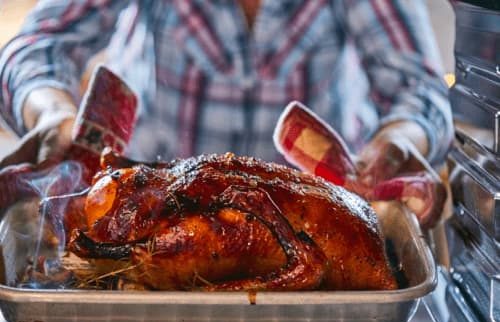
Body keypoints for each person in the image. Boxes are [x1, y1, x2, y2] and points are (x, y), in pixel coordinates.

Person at [0, 0, 452, 196]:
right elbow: (39, 46)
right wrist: (53, 114)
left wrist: (398, 139)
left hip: (317, 262)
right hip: (150, 243)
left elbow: (420, 89)